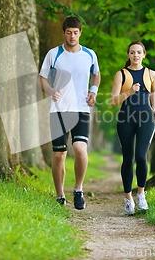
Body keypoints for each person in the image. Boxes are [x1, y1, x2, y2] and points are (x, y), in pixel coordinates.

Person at [38, 16, 101, 210]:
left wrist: (93, 91)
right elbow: (42, 78)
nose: (72, 36)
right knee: (59, 155)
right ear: (63, 33)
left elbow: (96, 74)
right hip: (58, 110)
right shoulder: (54, 54)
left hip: (81, 109)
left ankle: (78, 189)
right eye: (69, 32)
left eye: (75, 32)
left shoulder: (89, 54)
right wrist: (51, 91)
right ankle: (59, 195)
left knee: (81, 150)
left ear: (80, 33)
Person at [111, 41, 155, 215]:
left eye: (139, 52)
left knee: (141, 156)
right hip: (126, 118)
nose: (136, 55)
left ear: (144, 54)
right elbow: (113, 101)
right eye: (132, 52)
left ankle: (141, 193)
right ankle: (128, 199)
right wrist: (130, 92)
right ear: (128, 55)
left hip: (146, 118)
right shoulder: (121, 74)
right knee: (128, 158)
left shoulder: (151, 74)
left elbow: (153, 92)